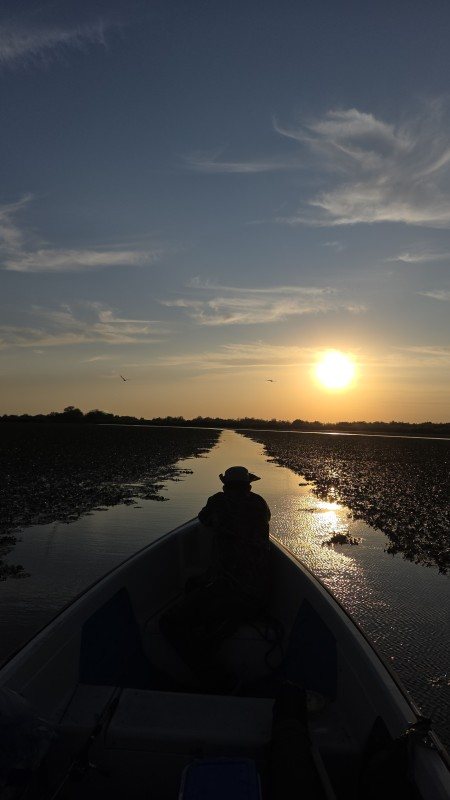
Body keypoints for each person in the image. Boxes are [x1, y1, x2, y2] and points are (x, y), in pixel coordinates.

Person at [159, 466, 271, 690]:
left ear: (225, 485)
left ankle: (216, 679)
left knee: (169, 622)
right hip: (259, 593)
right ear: (249, 485)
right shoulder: (260, 504)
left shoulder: (218, 502)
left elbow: (203, 519)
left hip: (228, 590)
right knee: (199, 591)